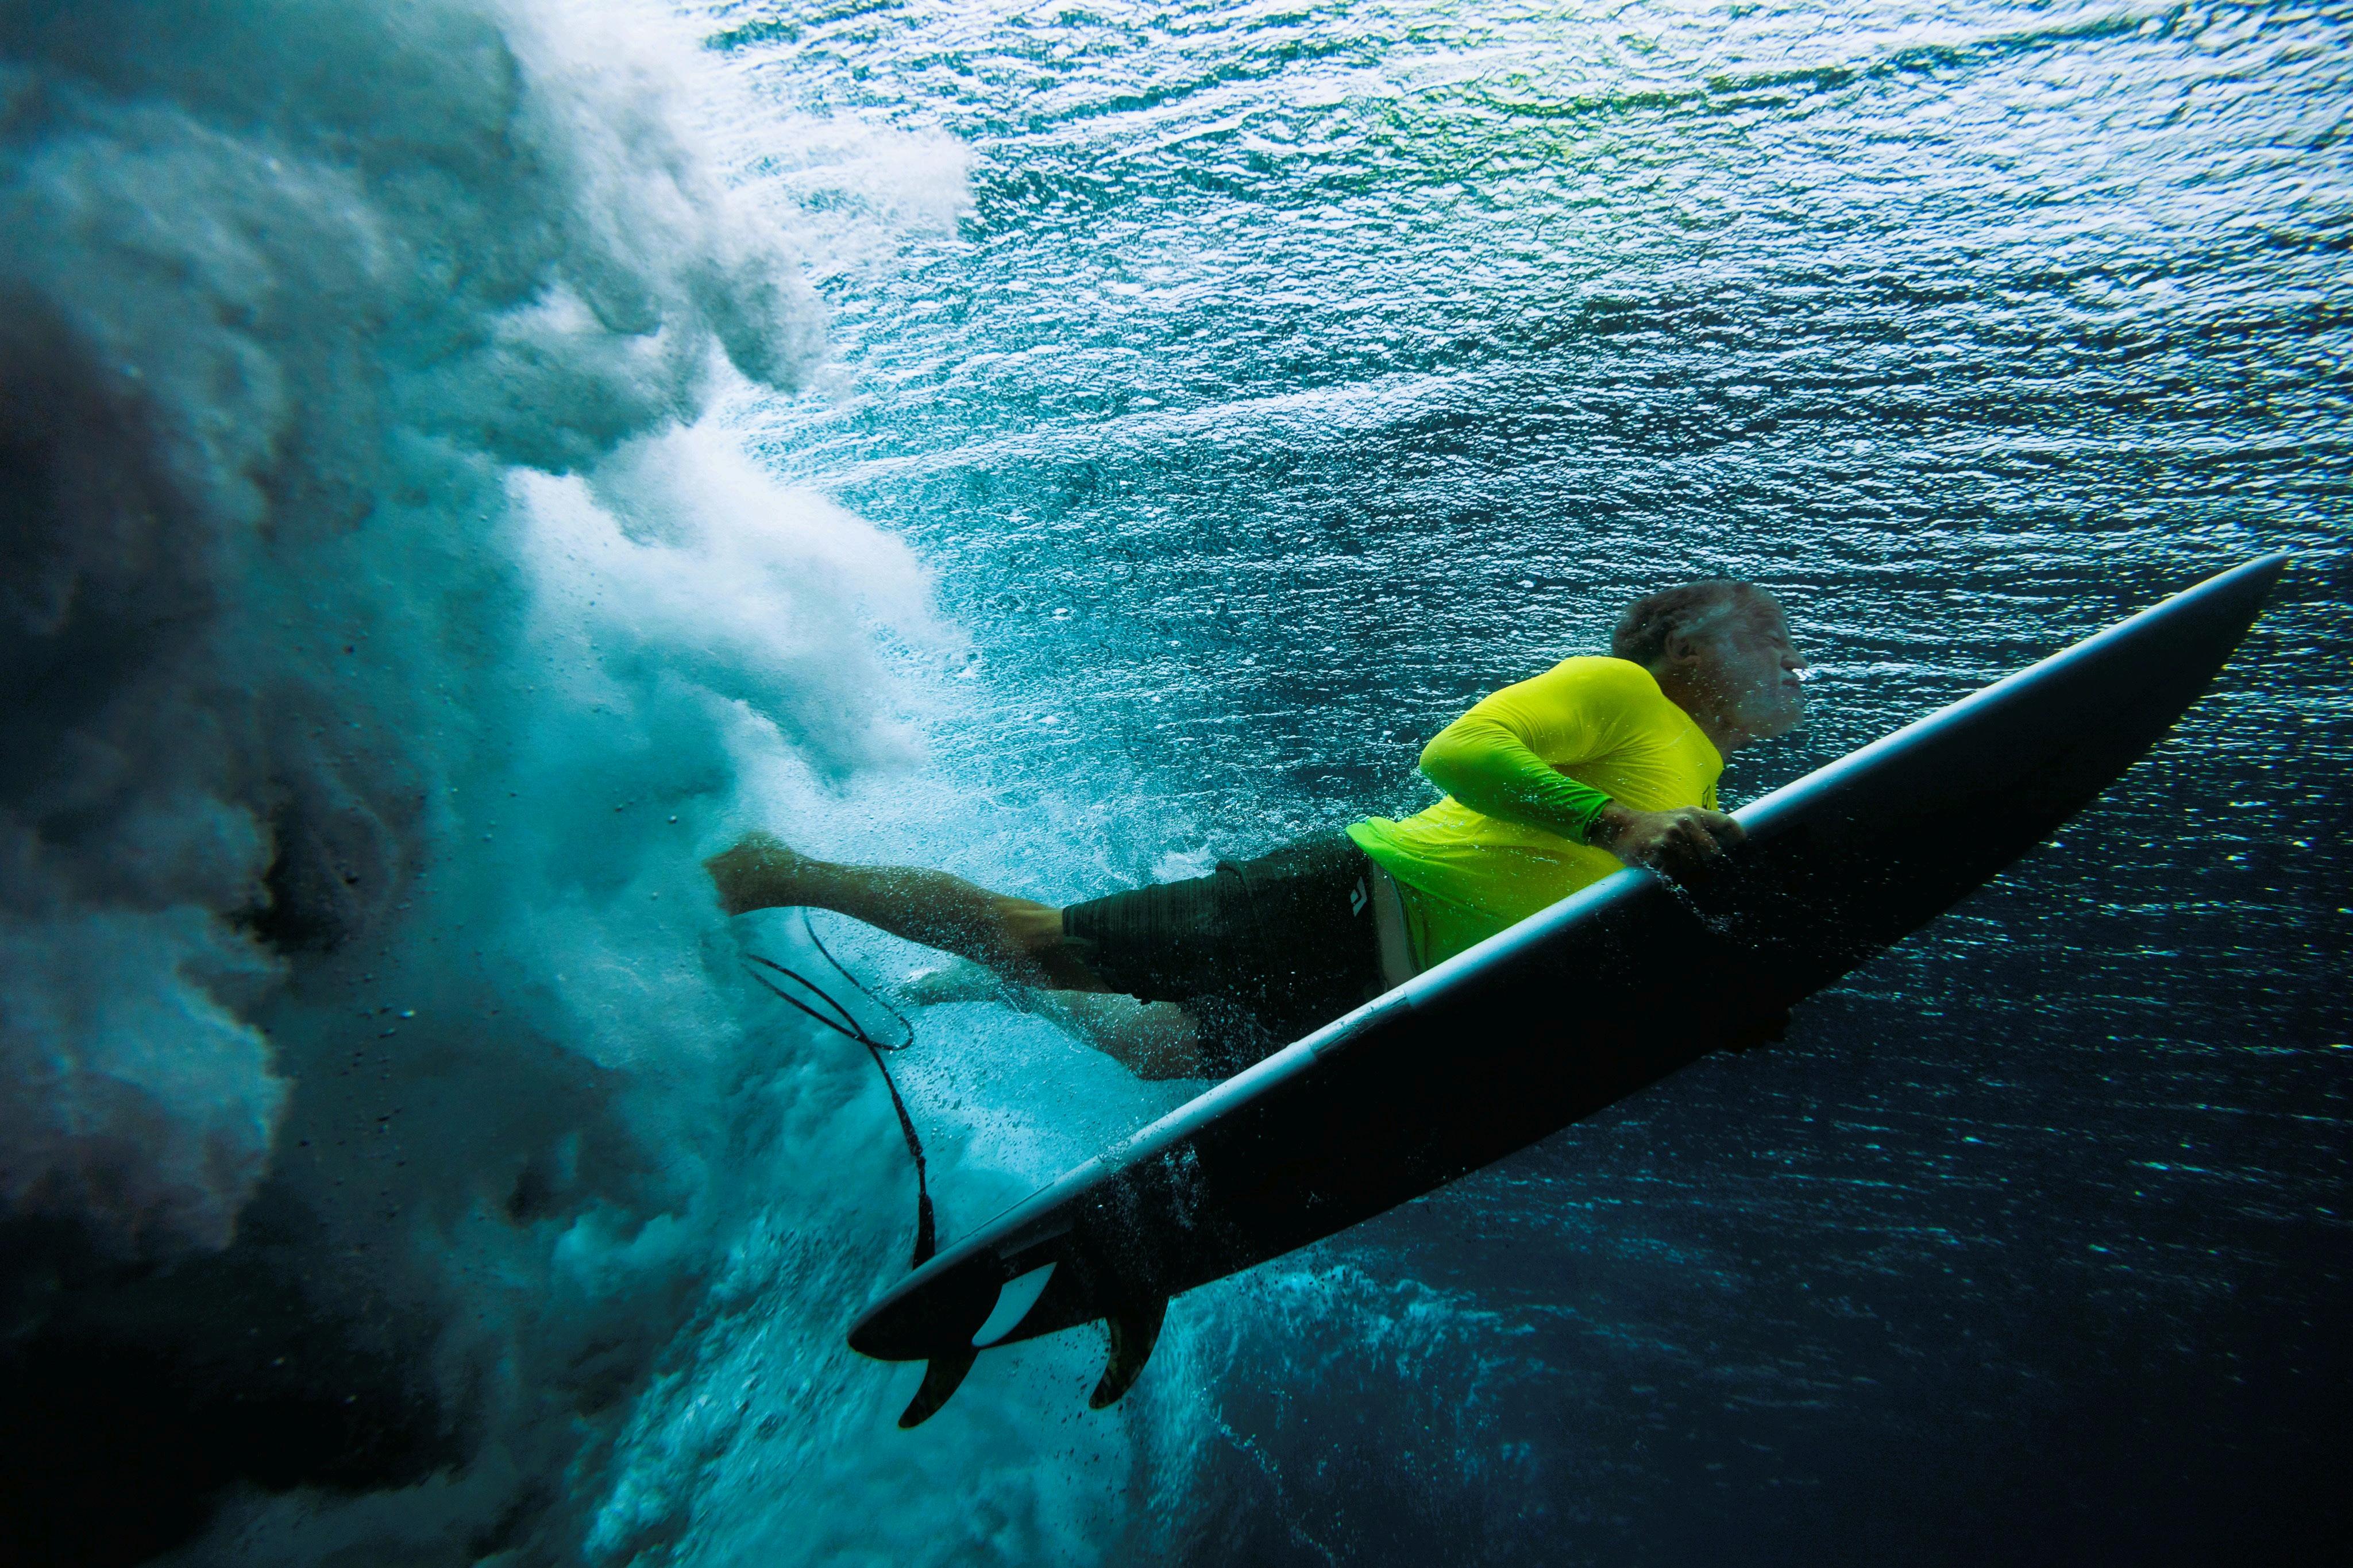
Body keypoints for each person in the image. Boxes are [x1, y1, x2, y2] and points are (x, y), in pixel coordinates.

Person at [705, 579, 1808, 1081]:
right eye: (1767, 639)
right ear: (1683, 648)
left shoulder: (1705, 800)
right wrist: (1617, 821)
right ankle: (778, 869)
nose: (1791, 664)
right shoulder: (1622, 692)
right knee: (1041, 939)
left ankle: (1001, 988)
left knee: (1156, 1053)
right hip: (1358, 899)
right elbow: (1460, 752)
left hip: (1396, 990)